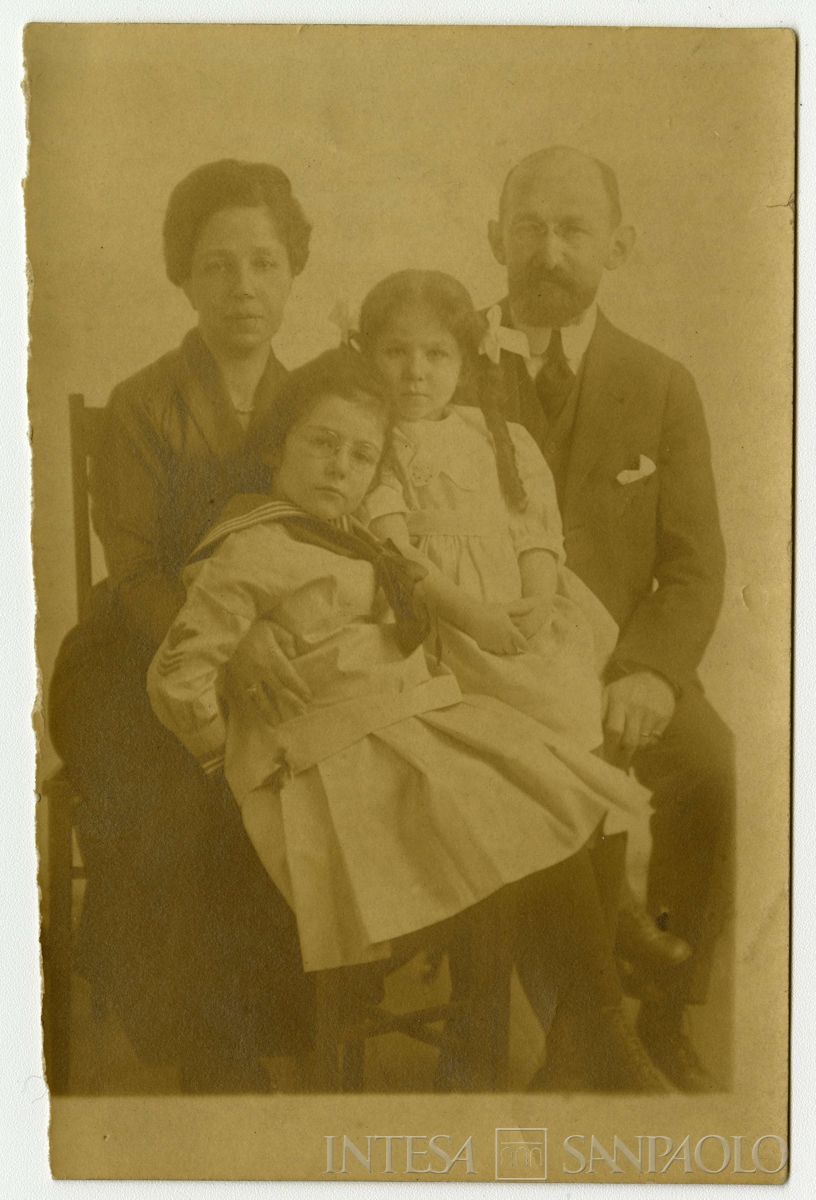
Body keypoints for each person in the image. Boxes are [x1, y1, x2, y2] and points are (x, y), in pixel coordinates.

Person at [146, 345, 667, 1092]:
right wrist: (218, 758)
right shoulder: (252, 546)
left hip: (397, 725)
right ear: (277, 448)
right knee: (512, 804)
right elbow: (177, 674)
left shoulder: (354, 535)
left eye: (361, 456)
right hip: (333, 757)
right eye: (322, 444)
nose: (339, 468)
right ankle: (575, 1024)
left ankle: (565, 1028)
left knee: (539, 778)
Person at [47, 159, 315, 1092]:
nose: (243, 286)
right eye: (217, 265)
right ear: (184, 277)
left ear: (293, 271)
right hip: (138, 651)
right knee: (178, 784)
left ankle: (292, 1009)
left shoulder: (316, 405)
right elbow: (136, 573)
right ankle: (207, 1042)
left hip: (277, 648)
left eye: (264, 262)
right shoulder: (142, 402)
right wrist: (226, 648)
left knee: (305, 765)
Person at [484, 144, 734, 1091]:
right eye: (529, 227)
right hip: (495, 667)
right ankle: (577, 1030)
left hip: (624, 664)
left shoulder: (662, 383)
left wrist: (651, 672)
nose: (549, 251)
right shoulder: (443, 361)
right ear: (496, 239)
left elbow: (695, 563)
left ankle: (663, 1014)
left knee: (709, 767)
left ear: (617, 246)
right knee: (530, 774)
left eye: (574, 229)